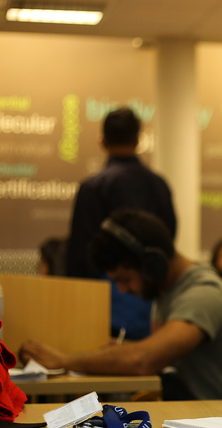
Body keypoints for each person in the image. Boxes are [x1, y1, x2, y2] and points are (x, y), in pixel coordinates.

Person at [20, 209, 222, 401]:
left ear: (154, 264)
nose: (123, 290)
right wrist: (124, 350)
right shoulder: (167, 293)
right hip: (194, 417)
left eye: (125, 279)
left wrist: (63, 361)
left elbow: (145, 360)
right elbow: (165, 354)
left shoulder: (203, 294)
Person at [65, 106, 177, 341]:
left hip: (102, 308)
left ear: (102, 141)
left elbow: (78, 257)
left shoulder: (93, 188)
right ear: (138, 140)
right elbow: (168, 239)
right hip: (153, 308)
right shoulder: (159, 185)